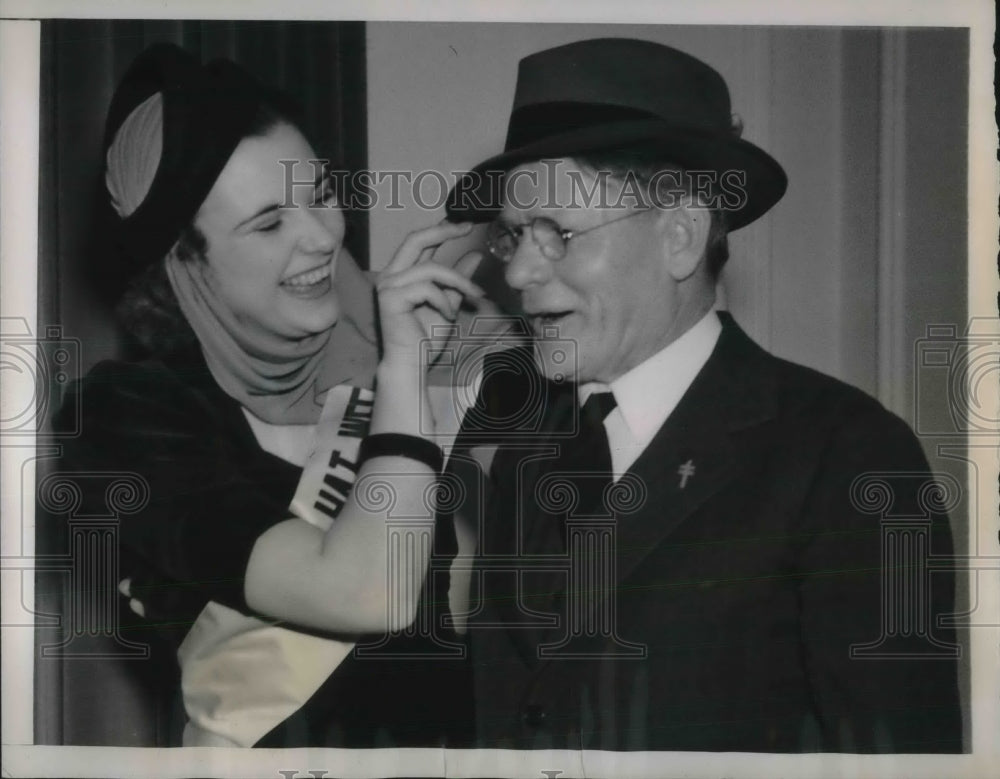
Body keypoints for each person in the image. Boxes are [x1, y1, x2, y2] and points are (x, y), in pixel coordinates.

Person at [443, 37, 963, 752]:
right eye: (513, 236)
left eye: (558, 233)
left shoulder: (849, 457)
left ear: (681, 236)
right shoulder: (526, 452)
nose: (522, 272)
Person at [52, 43, 481, 748]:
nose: (320, 238)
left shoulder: (397, 344)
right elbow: (370, 591)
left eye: (320, 196)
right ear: (185, 264)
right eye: (269, 222)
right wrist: (403, 374)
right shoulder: (124, 420)